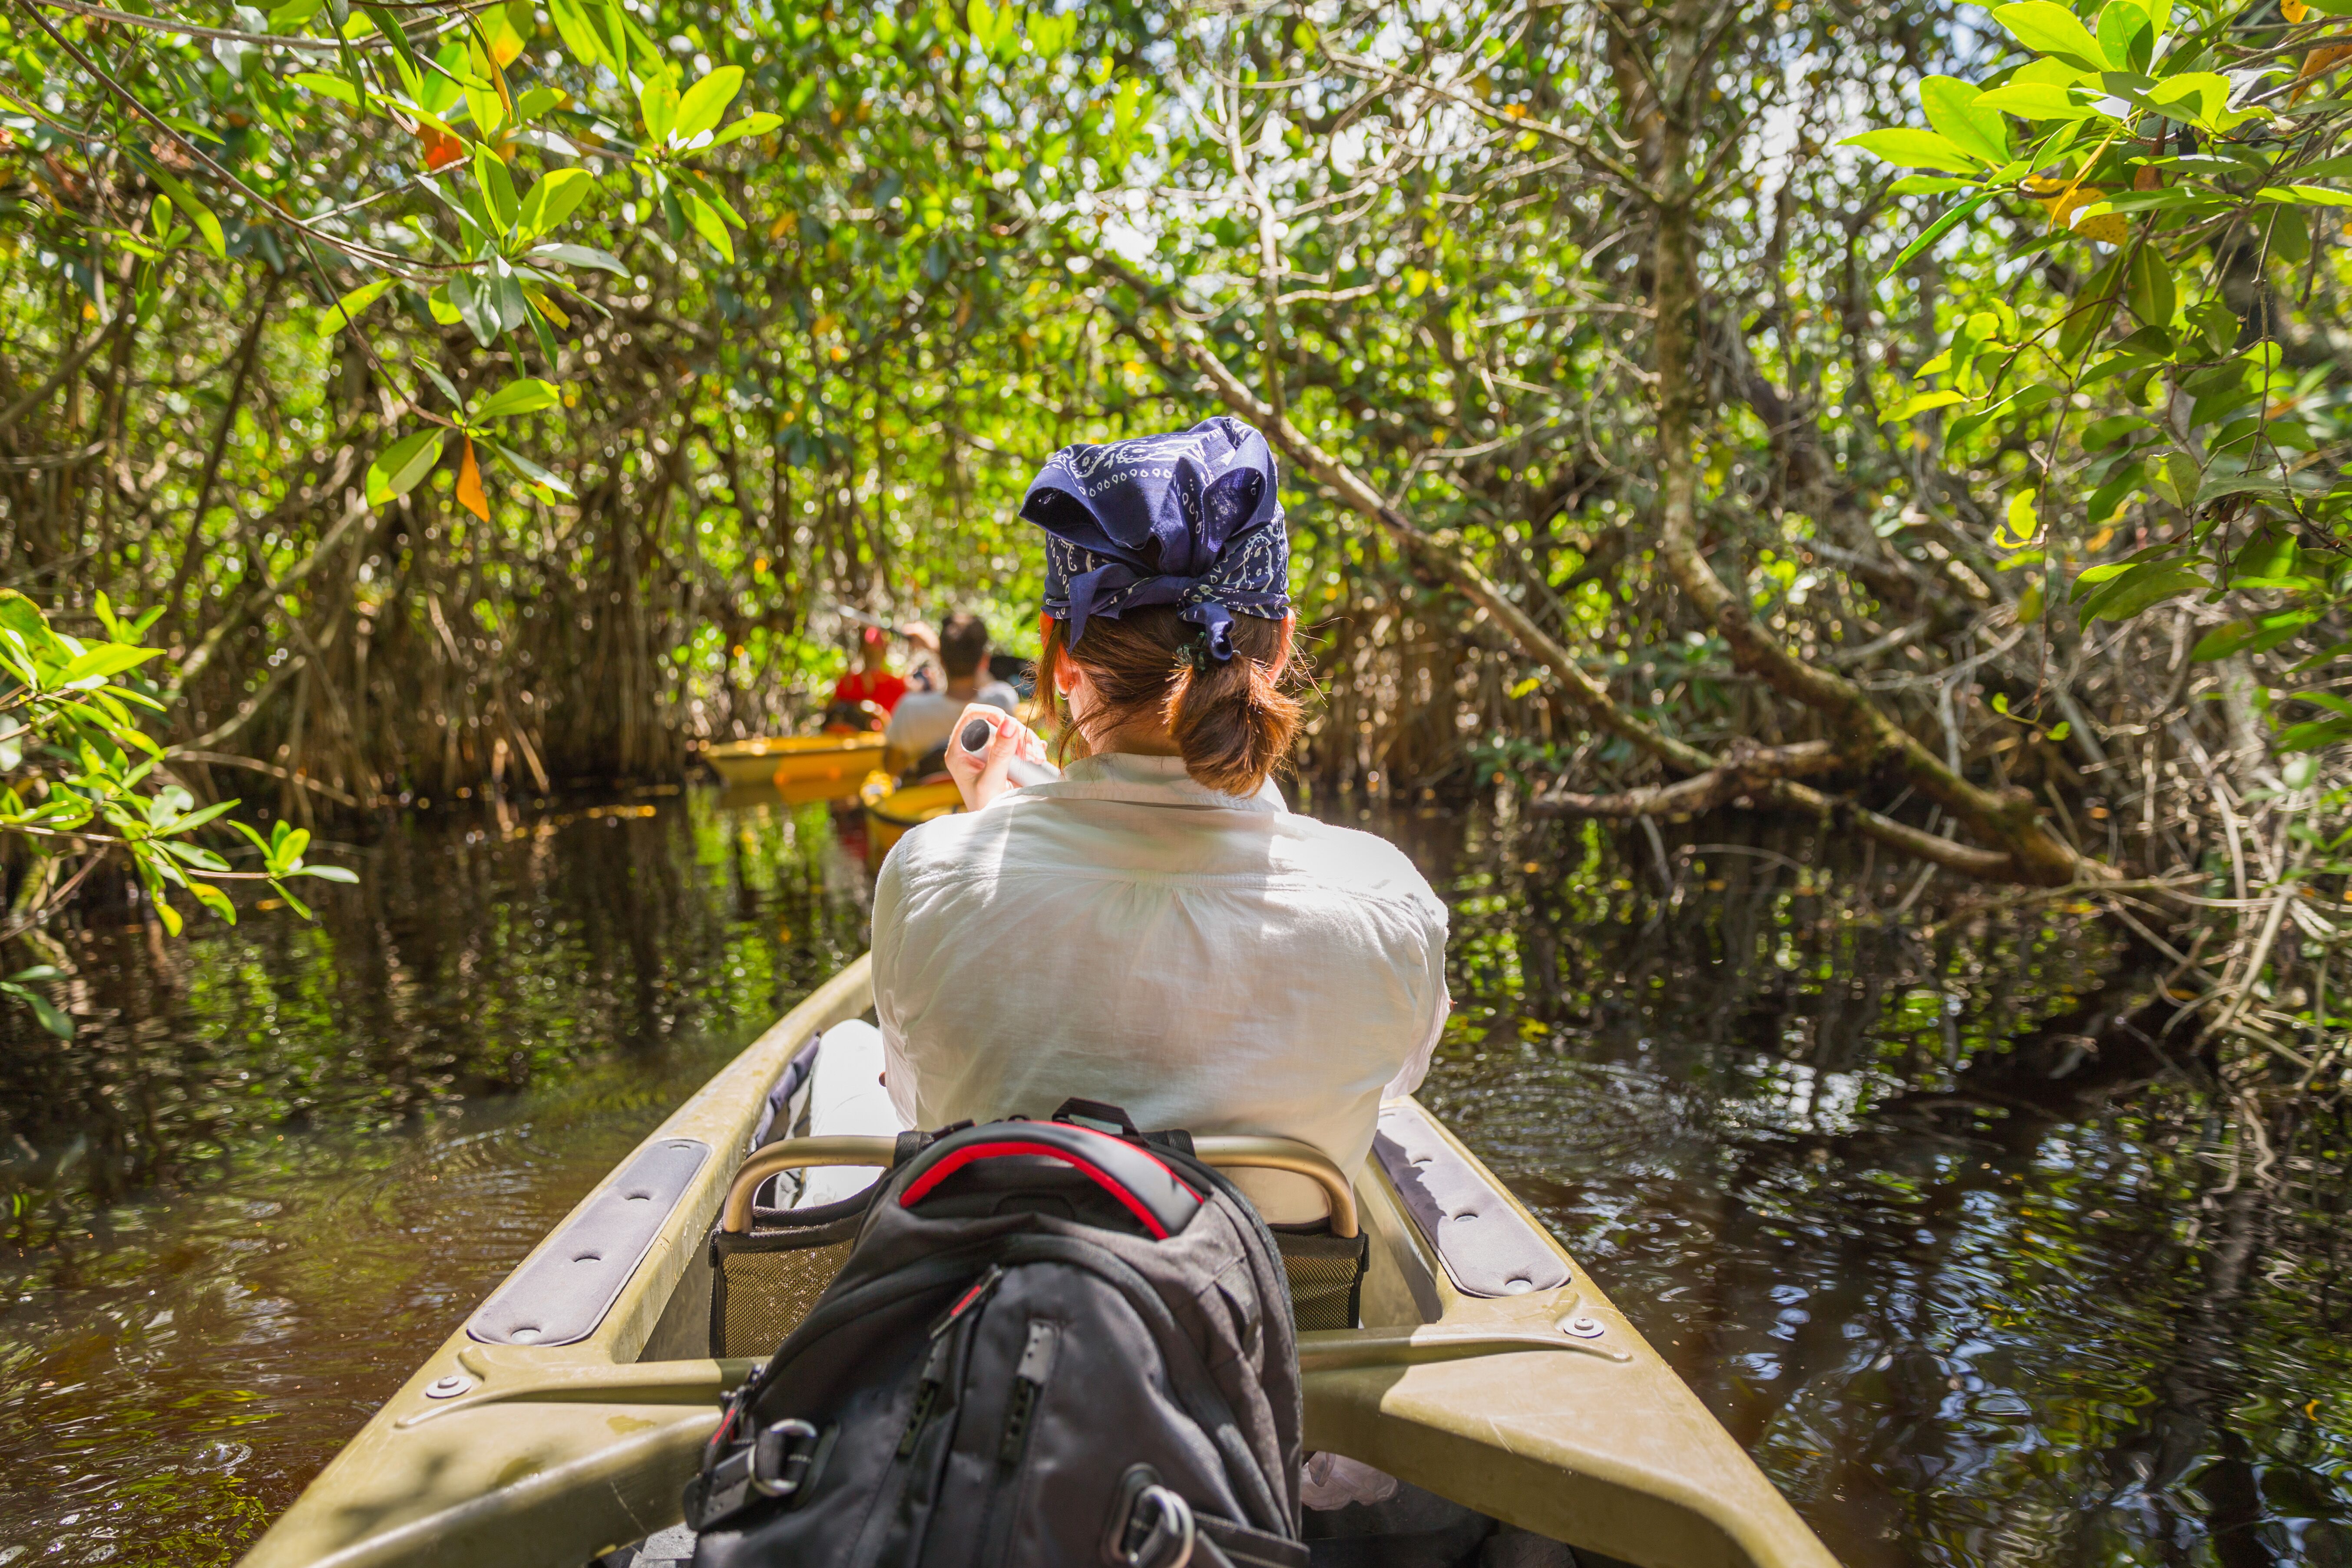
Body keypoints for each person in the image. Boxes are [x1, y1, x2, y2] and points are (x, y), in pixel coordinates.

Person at [838, 417, 1451, 1223]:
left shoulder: (928, 872)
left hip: (1012, 1320)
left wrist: (987, 829)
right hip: (1267, 1332)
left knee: (843, 1056)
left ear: (1060, 659)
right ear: (1275, 649)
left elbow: (923, 1104)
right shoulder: (1384, 898)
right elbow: (1391, 1080)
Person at [881, 612, 1023, 774]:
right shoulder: (1000, 704)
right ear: (984, 660)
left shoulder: (911, 709)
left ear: (941, 658)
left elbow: (890, 768)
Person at [827, 627, 907, 724]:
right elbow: (830, 714)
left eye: (876, 647)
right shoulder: (848, 683)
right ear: (863, 649)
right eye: (869, 647)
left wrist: (879, 714)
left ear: (884, 650)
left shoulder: (898, 685)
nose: (872, 652)